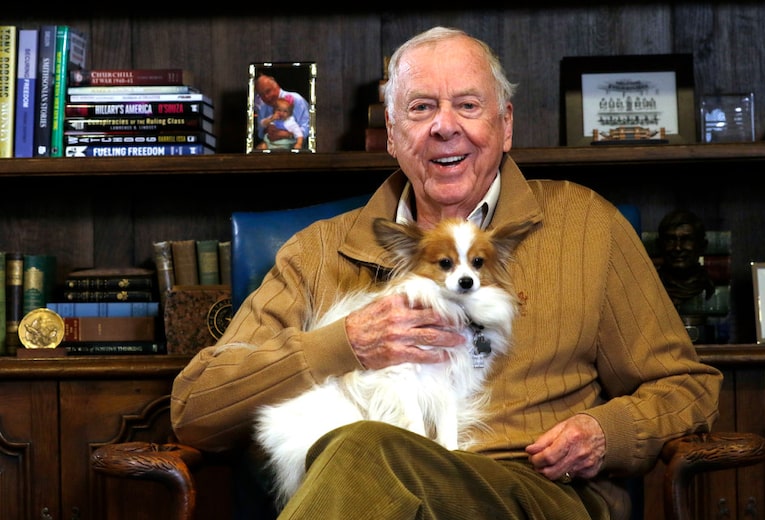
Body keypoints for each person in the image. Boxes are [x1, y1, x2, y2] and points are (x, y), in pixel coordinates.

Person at [171, 26, 722, 520]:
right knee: (363, 451)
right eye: (420, 108)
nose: (444, 127)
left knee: (364, 451)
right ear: (390, 134)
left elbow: (687, 387)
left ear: (505, 125)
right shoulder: (317, 253)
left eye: (467, 105)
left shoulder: (587, 227)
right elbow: (196, 409)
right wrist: (346, 344)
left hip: (533, 493)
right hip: (365, 491)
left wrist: (609, 433)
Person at [655, 209, 716, 306]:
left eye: (686, 240)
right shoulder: (652, 285)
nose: (678, 247)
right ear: (659, 245)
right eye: (670, 240)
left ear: (702, 246)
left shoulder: (707, 283)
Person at [254, 73, 310, 148]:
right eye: (262, 95)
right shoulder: (262, 107)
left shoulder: (296, 100)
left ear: (276, 85)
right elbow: (260, 133)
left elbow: (308, 129)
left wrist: (286, 134)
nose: (266, 97)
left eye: (268, 91)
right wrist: (267, 130)